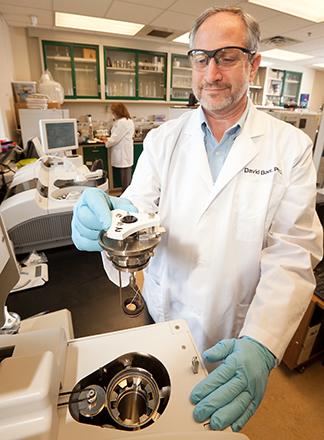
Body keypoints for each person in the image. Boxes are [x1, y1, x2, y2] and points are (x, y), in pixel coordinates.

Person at [71, 6, 323, 433]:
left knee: (214, 421)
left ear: (252, 63)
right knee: (162, 417)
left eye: (226, 56)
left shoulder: (290, 148)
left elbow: (292, 252)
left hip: (234, 328)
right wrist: (110, 223)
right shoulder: (163, 139)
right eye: (201, 58)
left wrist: (262, 343)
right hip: (162, 309)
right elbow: (137, 211)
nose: (212, 73)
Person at [105, 102, 135, 191]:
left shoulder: (123, 122)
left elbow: (115, 138)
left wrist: (107, 142)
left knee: (125, 177)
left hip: (123, 153)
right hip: (125, 152)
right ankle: (125, 194)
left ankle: (126, 196)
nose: (112, 114)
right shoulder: (127, 121)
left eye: (113, 112)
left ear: (117, 112)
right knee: (125, 176)